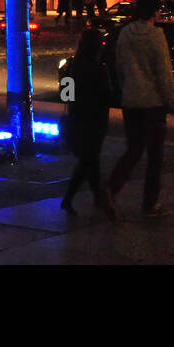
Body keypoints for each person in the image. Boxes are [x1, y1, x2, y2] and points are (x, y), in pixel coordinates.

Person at [107, 0, 174, 217]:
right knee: (155, 156)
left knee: (134, 149)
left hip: (131, 101)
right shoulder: (155, 36)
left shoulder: (125, 35)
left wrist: (125, 90)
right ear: (154, 11)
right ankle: (150, 205)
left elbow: (119, 69)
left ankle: (110, 189)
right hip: (152, 104)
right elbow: (164, 76)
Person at [61, 27, 118, 221]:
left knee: (90, 161)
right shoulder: (99, 70)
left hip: (77, 119)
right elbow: (108, 96)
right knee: (90, 160)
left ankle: (91, 198)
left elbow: (65, 95)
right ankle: (96, 200)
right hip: (95, 121)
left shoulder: (72, 67)